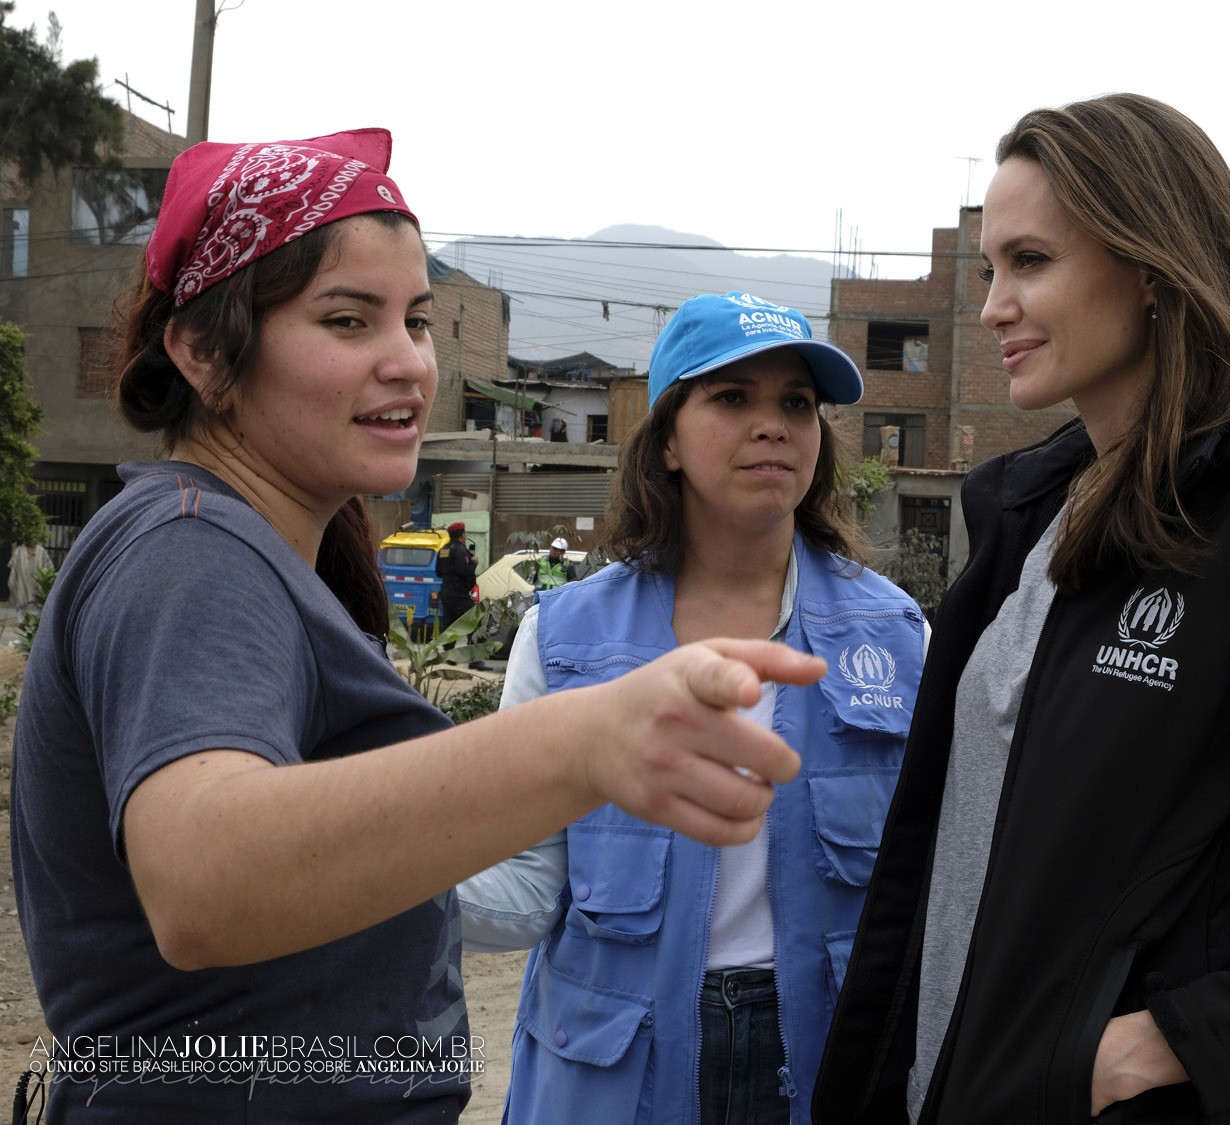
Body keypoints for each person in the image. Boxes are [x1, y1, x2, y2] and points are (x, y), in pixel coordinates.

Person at [10, 132, 825, 1122]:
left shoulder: (263, 555)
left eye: (418, 322)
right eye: (348, 321)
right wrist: (585, 743)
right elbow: (202, 877)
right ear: (204, 349)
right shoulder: (193, 551)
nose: (409, 364)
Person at [812, 94, 1230, 1125]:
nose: (993, 304)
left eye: (1031, 261)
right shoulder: (1023, 515)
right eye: (990, 268)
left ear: (1149, 268)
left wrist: (1169, 1042)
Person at [458, 291, 928, 1125]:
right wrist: (377, 878)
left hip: (826, 1060)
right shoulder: (562, 638)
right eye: (732, 397)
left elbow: (929, 884)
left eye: (796, 403)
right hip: (615, 1069)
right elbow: (532, 886)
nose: (773, 424)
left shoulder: (896, 637)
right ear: (668, 438)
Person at [436, 519, 478, 631]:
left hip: (447, 594)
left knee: (449, 627)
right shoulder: (459, 550)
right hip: (459, 595)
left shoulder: (443, 550)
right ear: (462, 534)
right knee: (474, 624)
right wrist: (474, 563)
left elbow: (438, 572)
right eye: (465, 533)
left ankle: (448, 648)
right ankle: (474, 646)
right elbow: (464, 570)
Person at [6, 539, 50, 609]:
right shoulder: (19, 550)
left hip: (36, 588)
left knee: (36, 614)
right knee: (22, 615)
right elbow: (13, 567)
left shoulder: (41, 551)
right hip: (22, 585)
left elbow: (48, 567)